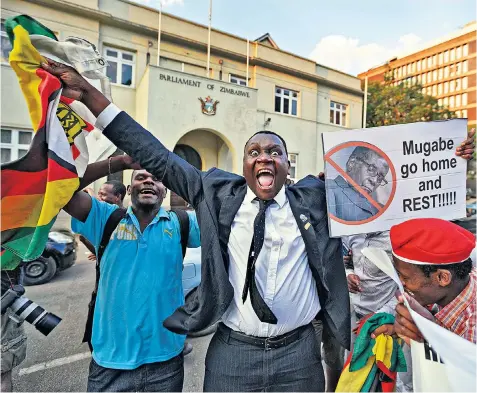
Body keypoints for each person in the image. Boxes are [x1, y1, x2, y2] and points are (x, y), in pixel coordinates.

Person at [42, 59, 350, 392]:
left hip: (299, 355)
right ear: (244, 166)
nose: (264, 156)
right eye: (254, 151)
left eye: (275, 151)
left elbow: (377, 199)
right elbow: (154, 152)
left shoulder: (316, 199)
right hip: (234, 353)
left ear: (288, 165)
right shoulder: (216, 196)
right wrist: (88, 94)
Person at [62, 155, 200, 391]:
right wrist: (121, 163)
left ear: (165, 191)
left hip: (166, 360)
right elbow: (62, 188)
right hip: (110, 363)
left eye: (157, 179)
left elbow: (222, 215)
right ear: (128, 189)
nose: (149, 182)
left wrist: (183, 175)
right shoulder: (104, 217)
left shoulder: (182, 222)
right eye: (141, 177)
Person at [391, 218, 476, 344]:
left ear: (442, 278)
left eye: (406, 278)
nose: (401, 283)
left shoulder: (472, 327)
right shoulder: (444, 292)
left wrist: (429, 340)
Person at [326, 146, 389, 222]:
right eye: (371, 169)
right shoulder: (330, 188)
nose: (375, 181)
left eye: (380, 178)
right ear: (351, 164)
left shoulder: (382, 209)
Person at [79, 180, 126, 261]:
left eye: (103, 194)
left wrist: (90, 191)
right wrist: (99, 253)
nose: (99, 197)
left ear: (118, 197)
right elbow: (83, 237)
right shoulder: (103, 217)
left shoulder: (124, 218)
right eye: (98, 194)